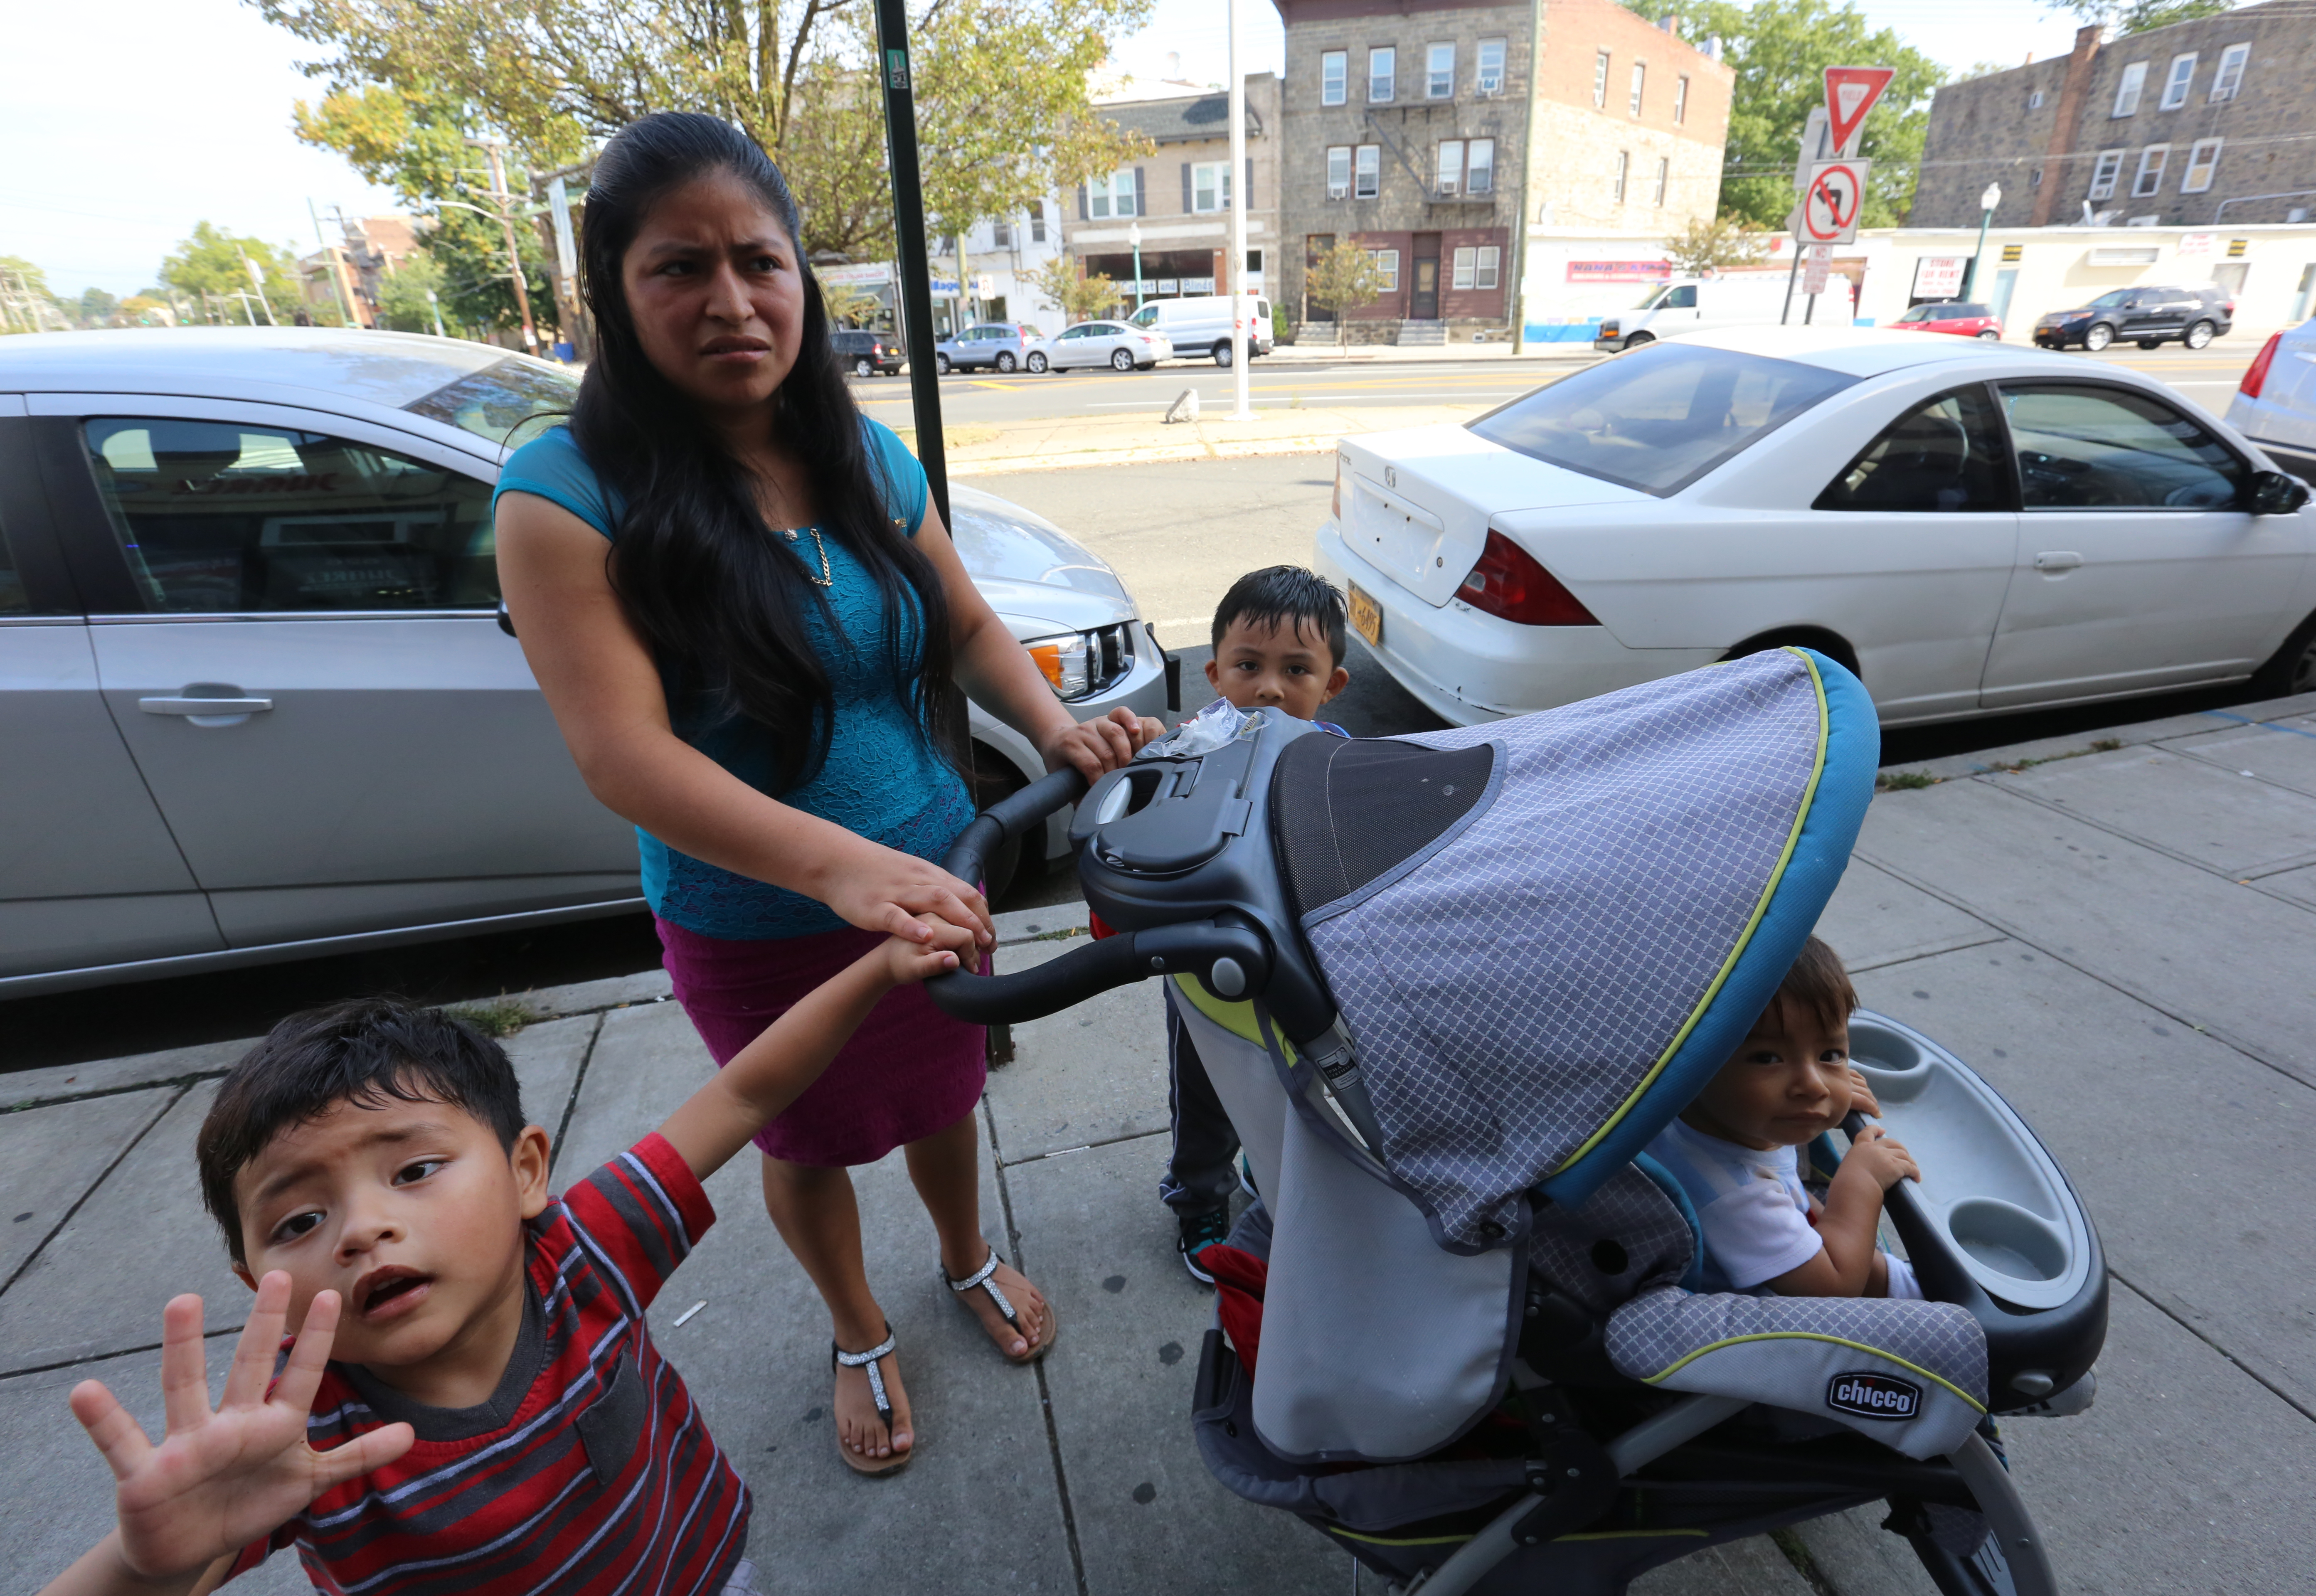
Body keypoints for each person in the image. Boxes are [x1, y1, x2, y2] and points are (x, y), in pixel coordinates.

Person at [491, 111, 1156, 1475]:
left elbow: (969, 626)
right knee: (807, 1133)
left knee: (942, 1095)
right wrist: (835, 870)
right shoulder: (561, 494)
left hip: (939, 863)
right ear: (613, 293)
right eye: (680, 268)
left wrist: (1057, 727)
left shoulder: (862, 455)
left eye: (761, 261)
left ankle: (967, 1258)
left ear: (802, 276)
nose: (731, 301)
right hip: (756, 914)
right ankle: (859, 1327)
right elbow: (624, 756)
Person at [37, 923, 975, 1596]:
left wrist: (876, 969)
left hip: (700, 1566)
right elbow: (183, 1545)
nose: (360, 1229)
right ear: (260, 1289)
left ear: (527, 1171)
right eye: (297, 1222)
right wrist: (145, 1563)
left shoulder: (583, 1252)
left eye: (412, 1168)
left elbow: (743, 1091)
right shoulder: (293, 1432)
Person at [1160, 567, 1352, 1282]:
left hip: (1299, 959)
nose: (1270, 687)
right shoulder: (1194, 750)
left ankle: (1257, 1156)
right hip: (1204, 961)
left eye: (1296, 669)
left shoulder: (1335, 754)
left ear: (1332, 684)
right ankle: (1196, 1195)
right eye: (1249, 666)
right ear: (1216, 674)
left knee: (1287, 1077)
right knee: (1204, 1089)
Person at [1645, 937, 1924, 1300]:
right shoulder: (1737, 1198)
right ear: (1691, 1063)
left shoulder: (1693, 1118)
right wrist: (1861, 1183)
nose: (1813, 1086)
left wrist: (1832, 1089)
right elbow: (1835, 1290)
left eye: (1830, 1054)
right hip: (1780, 1317)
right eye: (1767, 1059)